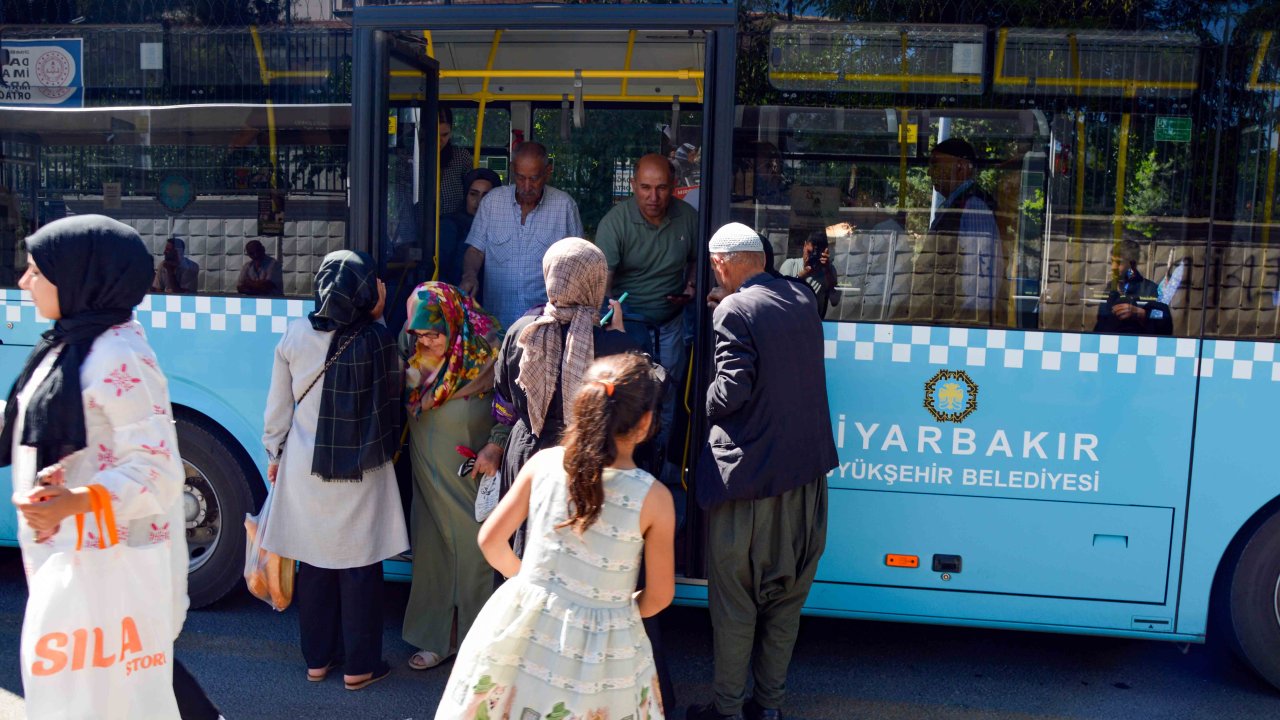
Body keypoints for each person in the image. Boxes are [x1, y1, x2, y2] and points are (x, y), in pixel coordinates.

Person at [5, 215, 220, 718]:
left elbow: (158, 469)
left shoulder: (117, 354)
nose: (23, 281)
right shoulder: (68, 342)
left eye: (36, 270)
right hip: (82, 563)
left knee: (124, 689)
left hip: (111, 564)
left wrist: (78, 500)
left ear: (80, 275)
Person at [435, 353, 675, 720]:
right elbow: (659, 596)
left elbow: (490, 541)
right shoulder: (654, 497)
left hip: (526, 625)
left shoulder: (543, 464)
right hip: (606, 648)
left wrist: (535, 584)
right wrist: (615, 611)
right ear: (645, 424)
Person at [687, 222, 837, 720]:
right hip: (807, 479)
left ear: (720, 263)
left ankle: (727, 710)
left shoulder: (732, 309)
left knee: (735, 604)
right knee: (784, 601)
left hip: (751, 484)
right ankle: (768, 707)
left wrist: (693, 400)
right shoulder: (799, 298)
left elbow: (731, 390)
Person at [261, 250, 407, 691]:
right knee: (359, 565)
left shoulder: (295, 335)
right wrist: (378, 315)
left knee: (316, 563)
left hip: (307, 470)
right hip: (360, 468)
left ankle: (318, 662)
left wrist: (273, 454)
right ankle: (360, 666)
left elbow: (278, 410)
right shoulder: (378, 339)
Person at [400, 282, 512, 671]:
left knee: (472, 546)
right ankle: (435, 637)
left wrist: (496, 444)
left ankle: (477, 643)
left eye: (435, 334)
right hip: (427, 465)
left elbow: (509, 402)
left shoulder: (487, 349)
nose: (427, 343)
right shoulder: (413, 348)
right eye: (420, 334)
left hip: (469, 467)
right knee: (430, 543)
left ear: (453, 322)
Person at [594, 153, 697, 480]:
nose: (654, 197)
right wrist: (613, 328)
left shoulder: (688, 218)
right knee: (631, 398)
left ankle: (660, 467)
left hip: (670, 321)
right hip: (630, 323)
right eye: (645, 188)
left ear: (674, 187)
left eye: (662, 188)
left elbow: (696, 260)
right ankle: (628, 470)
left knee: (668, 395)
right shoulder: (616, 222)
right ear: (632, 185)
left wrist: (691, 286)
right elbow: (603, 286)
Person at [460, 141, 584, 328]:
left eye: (534, 179)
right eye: (520, 178)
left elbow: (579, 265)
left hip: (545, 326)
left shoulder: (564, 207)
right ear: (512, 171)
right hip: (497, 322)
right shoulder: (492, 202)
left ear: (548, 172)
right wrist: (469, 275)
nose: (526, 186)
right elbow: (476, 250)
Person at [924, 138, 1002, 324]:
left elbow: (978, 277)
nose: (929, 173)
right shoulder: (957, 204)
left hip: (959, 323)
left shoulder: (973, 205)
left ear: (960, 167)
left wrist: (966, 323)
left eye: (936, 165)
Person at [1093, 239, 1174, 335]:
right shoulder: (1110, 288)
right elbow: (1100, 324)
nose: (1113, 267)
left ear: (1132, 264)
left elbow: (1166, 325)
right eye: (1112, 262)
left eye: (1119, 262)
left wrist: (1141, 314)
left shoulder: (1151, 289)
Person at [438, 168, 501, 287]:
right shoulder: (450, 226)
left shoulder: (501, 226)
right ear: (465, 195)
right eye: (473, 194)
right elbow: (441, 270)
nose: (479, 202)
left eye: (486, 196)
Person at [779, 229, 838, 318]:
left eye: (816, 254)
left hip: (813, 324)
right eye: (809, 252)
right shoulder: (790, 265)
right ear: (804, 246)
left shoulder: (828, 270)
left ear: (824, 252)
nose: (811, 257)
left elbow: (835, 301)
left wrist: (827, 271)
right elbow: (781, 296)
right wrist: (802, 275)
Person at [438, 107, 473, 217]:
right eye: (435, 134)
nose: (439, 140)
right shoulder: (411, 159)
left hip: (455, 221)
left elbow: (470, 190)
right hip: (421, 222)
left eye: (444, 135)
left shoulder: (461, 156)